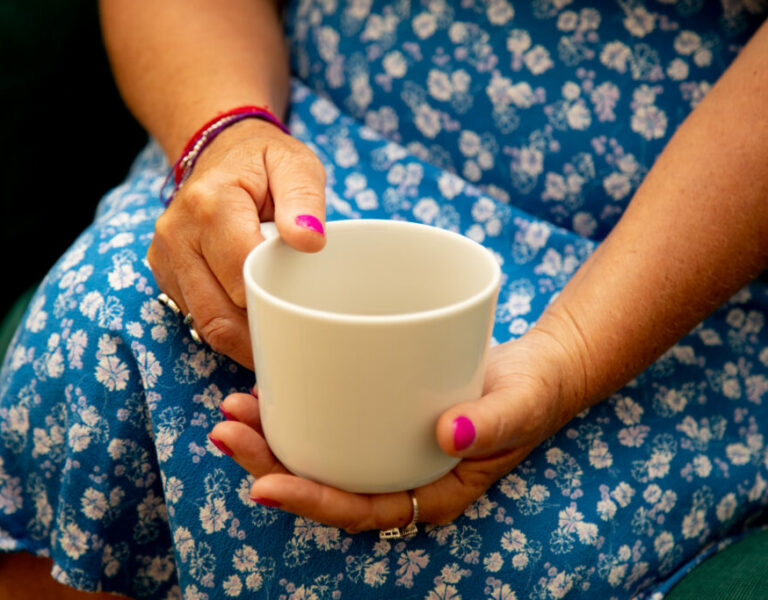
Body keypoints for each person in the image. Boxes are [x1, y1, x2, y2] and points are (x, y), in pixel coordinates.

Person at [1, 0, 767, 598]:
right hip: (299, 140)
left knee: (459, 534)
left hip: (653, 255)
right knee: (103, 340)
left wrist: (567, 357)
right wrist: (226, 135)